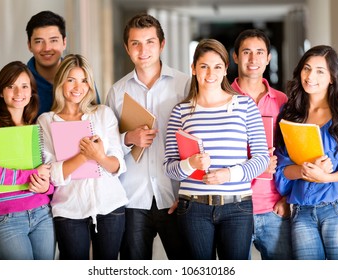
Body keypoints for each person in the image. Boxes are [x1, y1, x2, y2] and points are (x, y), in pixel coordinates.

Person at [164, 38, 270, 260]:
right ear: (193, 69)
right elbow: (170, 168)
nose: (210, 73)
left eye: (217, 66)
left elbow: (261, 159)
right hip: (193, 209)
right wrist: (190, 163)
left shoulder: (245, 106)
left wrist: (228, 174)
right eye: (204, 66)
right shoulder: (180, 112)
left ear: (225, 70)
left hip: (237, 208)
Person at [105, 13, 190, 260]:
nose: (143, 50)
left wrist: (186, 193)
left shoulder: (185, 86)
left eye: (150, 42)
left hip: (175, 196)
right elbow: (107, 148)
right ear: (127, 48)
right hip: (132, 200)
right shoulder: (117, 92)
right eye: (135, 43)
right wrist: (127, 138)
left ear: (162, 45)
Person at [37, 54, 128, 260]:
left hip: (110, 207)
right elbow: (53, 174)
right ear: (61, 82)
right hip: (69, 210)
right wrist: (85, 156)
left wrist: (99, 156)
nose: (78, 87)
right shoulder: (46, 121)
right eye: (71, 80)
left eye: (84, 80)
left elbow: (117, 165)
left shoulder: (103, 114)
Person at [275, 45, 338, 260]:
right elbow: (282, 168)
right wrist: (303, 171)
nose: (310, 76)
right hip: (301, 210)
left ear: (332, 78)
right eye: (307, 68)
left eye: (320, 71)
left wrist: (326, 177)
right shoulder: (289, 115)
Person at [0, 61, 55, 260]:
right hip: (7, 219)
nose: (18, 92)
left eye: (24, 86)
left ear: (31, 92)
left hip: (42, 214)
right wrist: (32, 175)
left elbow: (48, 175)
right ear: (1, 92)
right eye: (10, 86)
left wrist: (45, 187)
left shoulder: (36, 126)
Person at [231, 29, 292, 259]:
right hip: (234, 207)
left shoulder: (282, 100)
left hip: (274, 208)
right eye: (246, 52)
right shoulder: (223, 98)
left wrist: (287, 199)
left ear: (268, 58)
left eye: (260, 52)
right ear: (236, 57)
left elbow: (292, 153)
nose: (253, 59)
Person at [26, 10, 100, 116]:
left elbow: (96, 116)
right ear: (29, 45)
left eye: (53, 40)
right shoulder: (21, 82)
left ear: (64, 42)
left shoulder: (82, 77)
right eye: (39, 41)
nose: (47, 48)